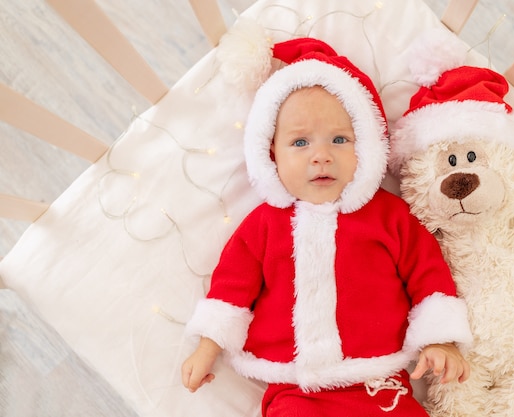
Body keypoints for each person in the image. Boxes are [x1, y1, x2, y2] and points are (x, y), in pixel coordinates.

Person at [182, 37, 473, 417]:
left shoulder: (389, 216)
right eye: (300, 142)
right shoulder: (263, 225)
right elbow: (231, 288)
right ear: (270, 154)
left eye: (339, 139)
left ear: (366, 147)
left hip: (380, 385)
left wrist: (442, 341)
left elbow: (428, 274)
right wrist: (208, 346)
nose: (321, 156)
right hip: (296, 389)